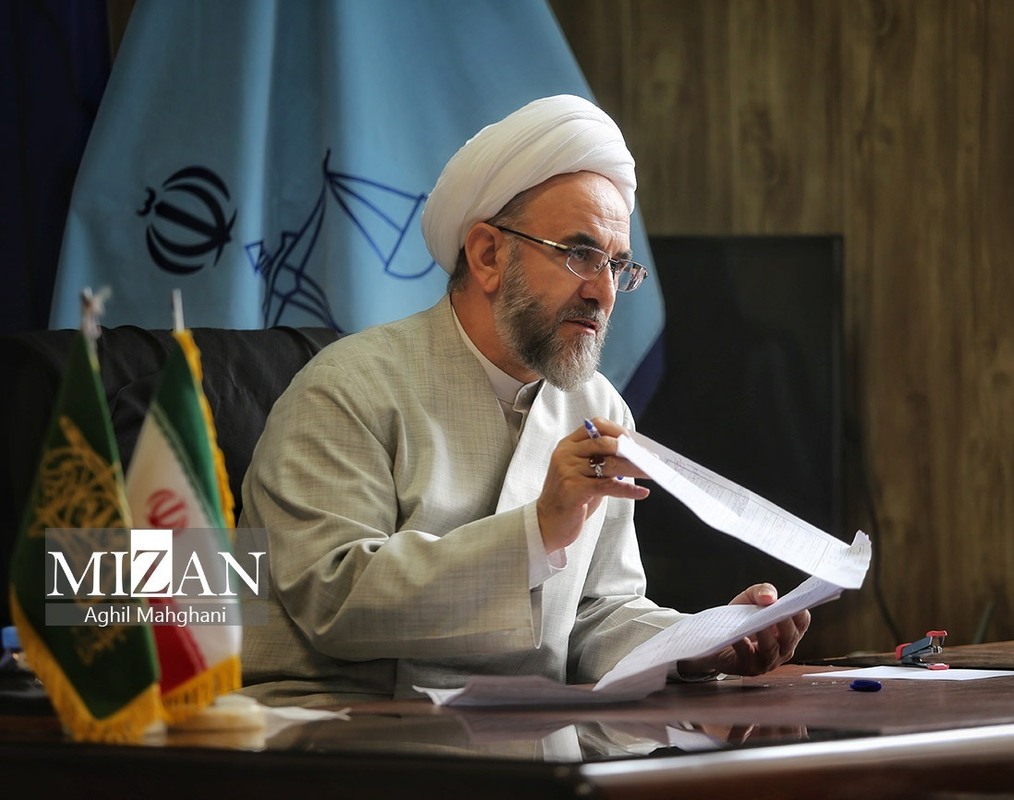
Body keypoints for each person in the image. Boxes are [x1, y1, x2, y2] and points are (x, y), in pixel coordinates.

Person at [237, 94, 811, 706]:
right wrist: (537, 531)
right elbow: (335, 603)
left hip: (522, 731)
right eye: (580, 255)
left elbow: (593, 615)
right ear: (488, 255)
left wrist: (698, 643)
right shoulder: (346, 389)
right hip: (340, 731)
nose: (604, 292)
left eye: (617, 266)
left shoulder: (598, 407)